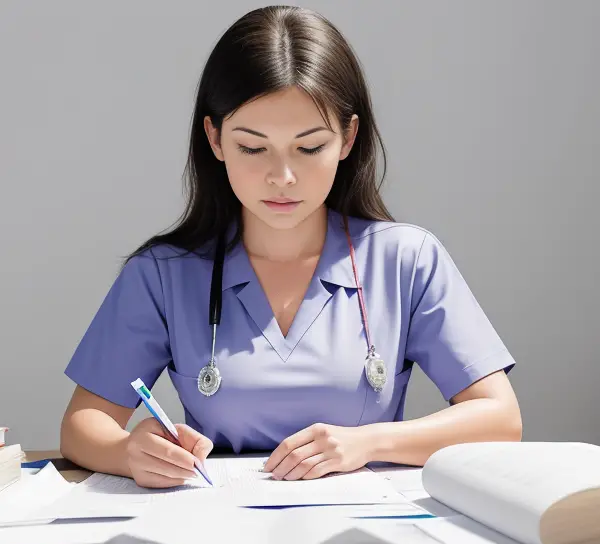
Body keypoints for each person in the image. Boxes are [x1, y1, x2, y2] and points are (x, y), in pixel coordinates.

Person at [60, 5, 522, 489]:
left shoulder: (407, 260)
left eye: (308, 147)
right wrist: (129, 451)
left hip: (363, 537)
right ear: (215, 139)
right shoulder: (162, 274)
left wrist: (370, 442)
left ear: (348, 138)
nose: (282, 177)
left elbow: (499, 417)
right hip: (217, 532)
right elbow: (81, 426)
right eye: (253, 148)